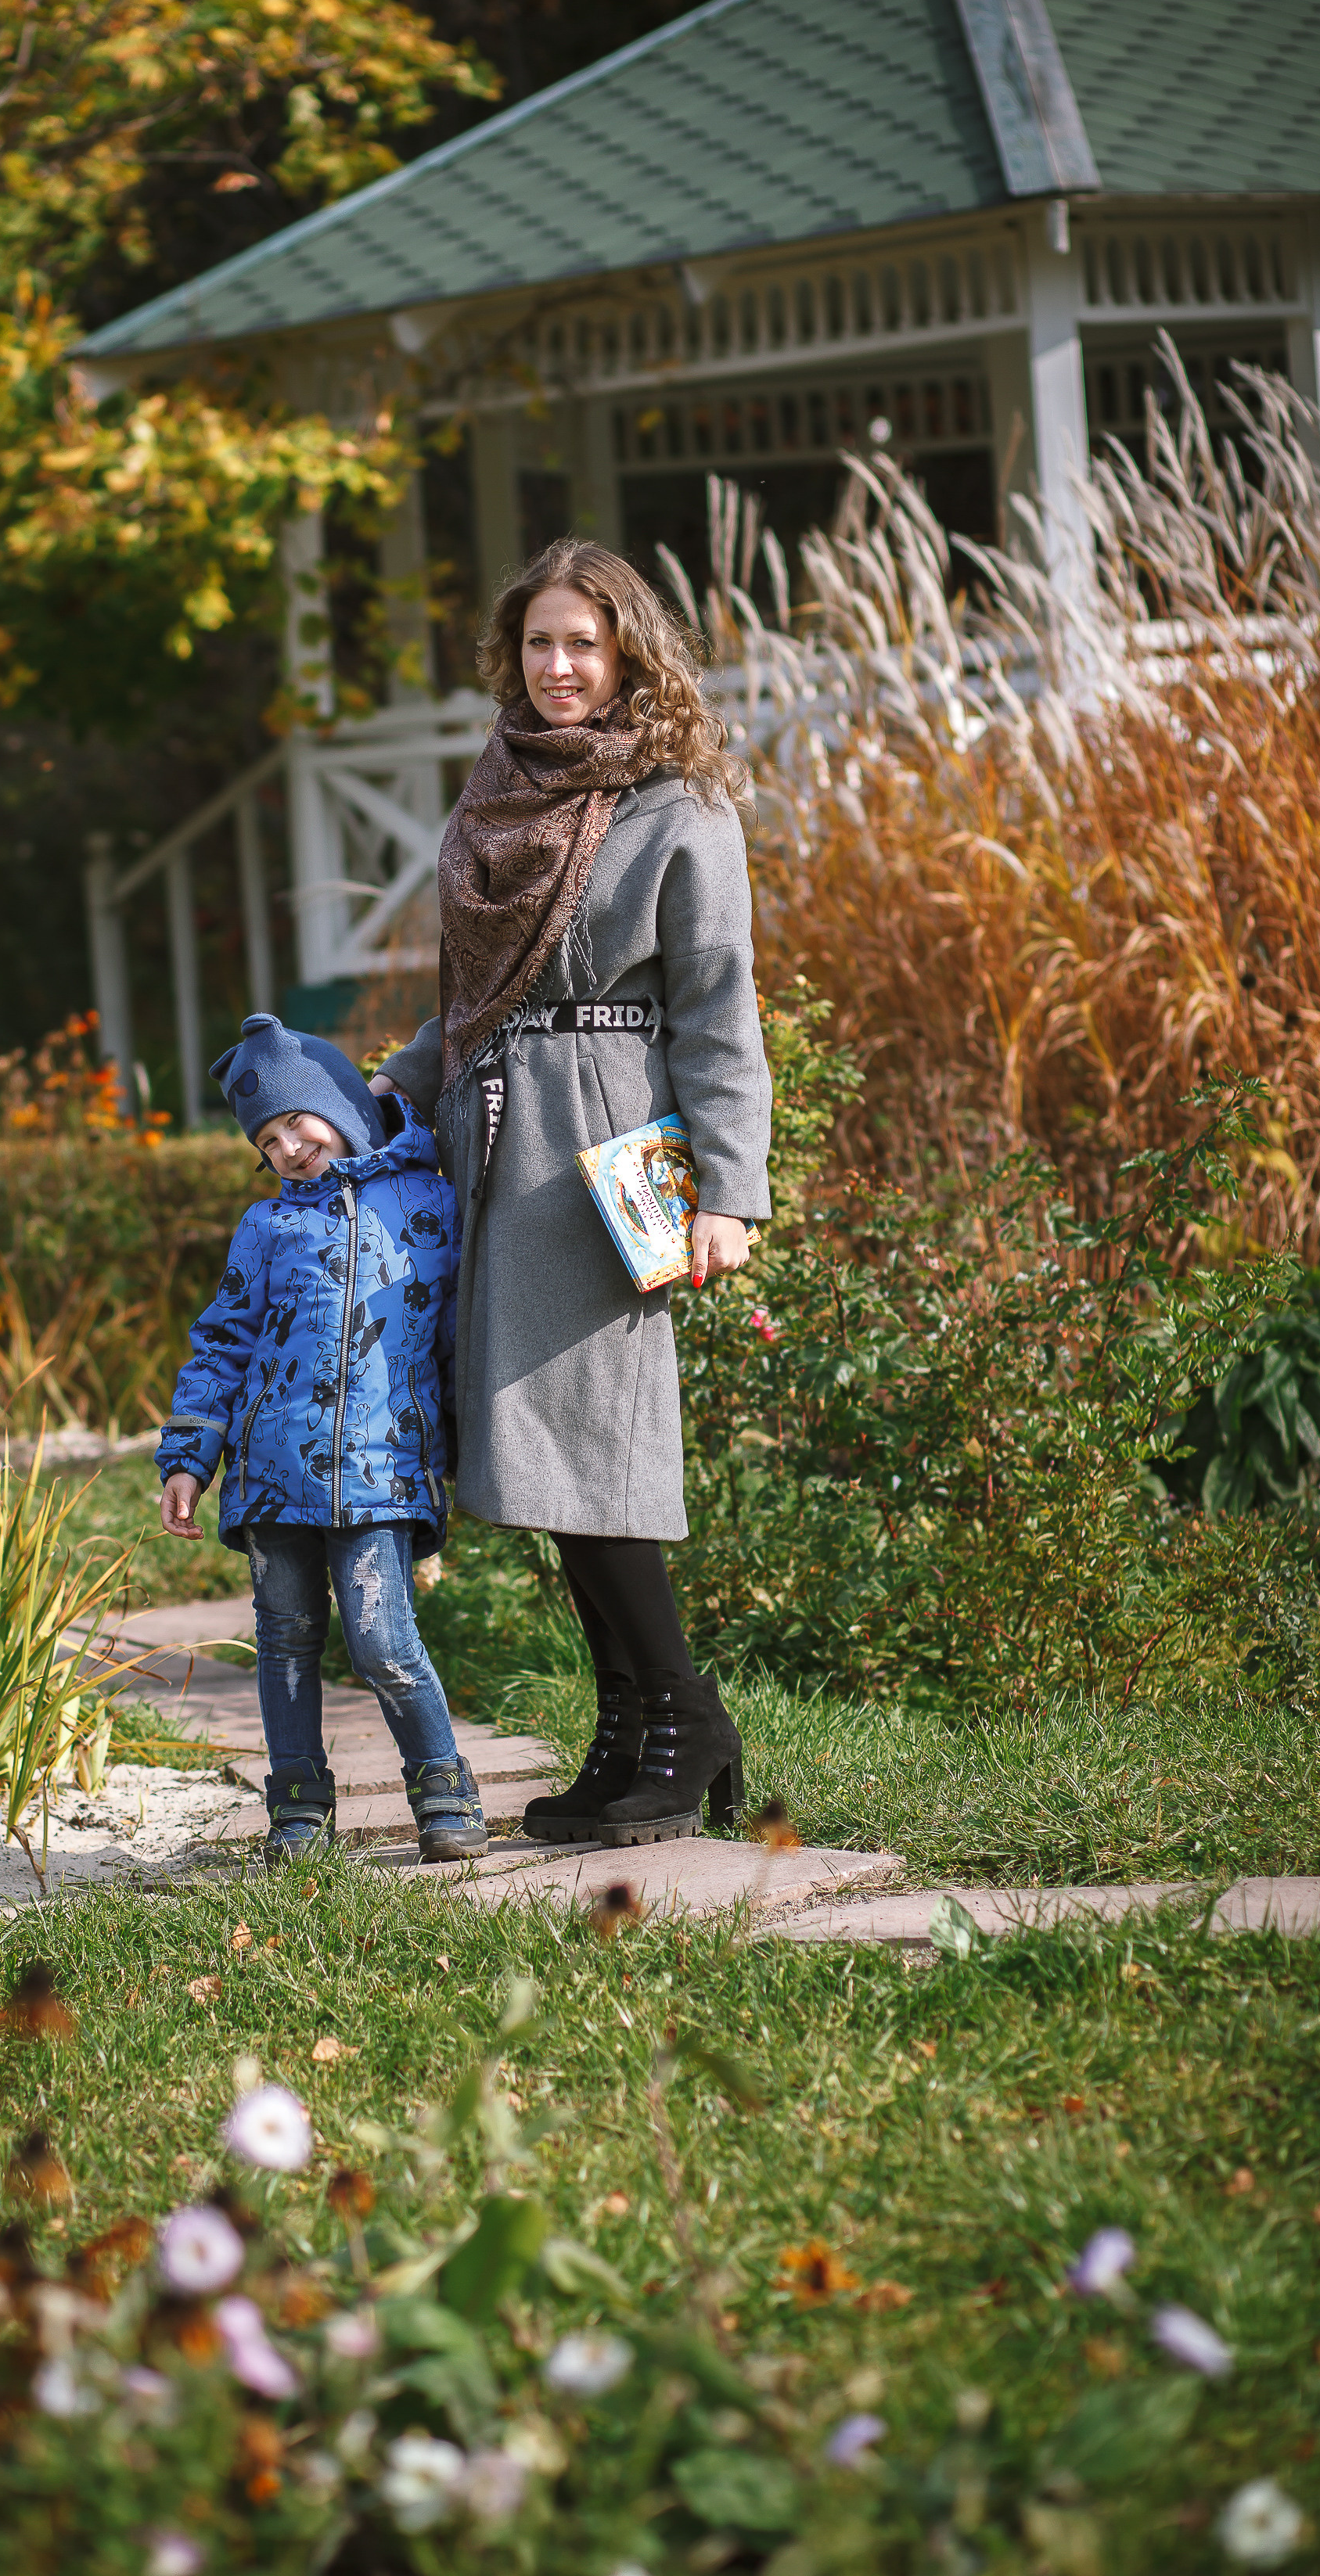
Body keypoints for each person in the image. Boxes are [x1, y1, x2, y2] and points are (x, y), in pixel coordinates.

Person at [373, 539, 771, 1846]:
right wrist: (387, 1091)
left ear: (627, 655)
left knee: (598, 1456)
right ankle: (628, 1738)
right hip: (497, 1152)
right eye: (540, 643)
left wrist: (730, 1191)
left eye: (583, 646)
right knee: (544, 1470)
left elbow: (718, 1012)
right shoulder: (495, 794)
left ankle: (686, 1723)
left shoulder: (679, 808)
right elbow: (472, 1001)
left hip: (613, 1161)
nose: (559, 667)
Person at [156, 1012, 486, 1867]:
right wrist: (189, 1458)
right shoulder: (265, 1229)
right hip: (271, 1479)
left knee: (384, 1642)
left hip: (383, 1473)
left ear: (342, 1105)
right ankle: (299, 1807)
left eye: (297, 1122)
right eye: (266, 1141)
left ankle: (444, 1787)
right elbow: (221, 1344)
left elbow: (458, 1338)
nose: (289, 1148)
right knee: (286, 1641)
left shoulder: (433, 1204)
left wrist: (463, 1450)